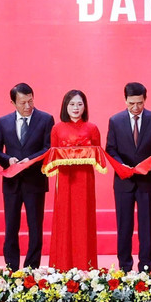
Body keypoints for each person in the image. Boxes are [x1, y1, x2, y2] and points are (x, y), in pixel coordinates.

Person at [105, 82, 151, 272]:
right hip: (124, 181)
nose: (136, 107)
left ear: (145, 99)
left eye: (139, 103)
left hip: (147, 180)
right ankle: (124, 266)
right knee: (124, 226)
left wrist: (146, 165)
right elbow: (111, 149)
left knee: (147, 226)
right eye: (131, 103)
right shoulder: (115, 120)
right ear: (125, 100)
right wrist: (122, 165)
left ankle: (146, 265)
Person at [0, 83, 54, 270]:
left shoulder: (45, 119)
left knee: (35, 227)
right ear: (13, 102)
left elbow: (48, 148)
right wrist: (8, 159)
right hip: (12, 182)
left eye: (30, 101)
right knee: (11, 226)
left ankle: (31, 268)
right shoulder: (3, 122)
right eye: (23, 103)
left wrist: (30, 159)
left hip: (35, 181)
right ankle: (12, 267)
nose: (28, 106)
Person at [49, 89, 100, 270]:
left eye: (79, 104)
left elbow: (98, 154)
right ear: (65, 106)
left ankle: (85, 267)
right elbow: (52, 156)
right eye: (72, 104)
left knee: (83, 220)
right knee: (64, 220)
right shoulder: (57, 128)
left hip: (85, 181)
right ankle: (61, 266)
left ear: (85, 106)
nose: (76, 108)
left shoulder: (92, 128)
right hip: (64, 180)